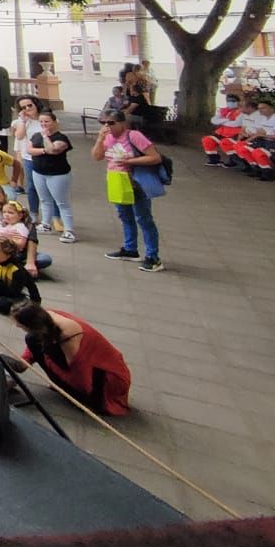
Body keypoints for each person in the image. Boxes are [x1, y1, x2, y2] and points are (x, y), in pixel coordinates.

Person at [11, 303, 132, 416]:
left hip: (106, 379)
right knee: (32, 339)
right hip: (82, 368)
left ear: (33, 325)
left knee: (35, 342)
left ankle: (90, 401)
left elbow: (81, 377)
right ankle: (64, 385)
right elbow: (37, 341)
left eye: (22, 326)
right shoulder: (44, 318)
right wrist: (25, 362)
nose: (18, 327)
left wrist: (52, 370)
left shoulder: (68, 337)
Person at [92, 110, 165, 272]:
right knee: (125, 216)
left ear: (122, 123)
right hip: (116, 180)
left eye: (111, 123)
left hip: (135, 182)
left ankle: (153, 257)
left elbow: (155, 157)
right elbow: (97, 156)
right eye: (103, 122)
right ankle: (130, 248)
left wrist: (130, 160)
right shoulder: (107, 137)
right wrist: (100, 139)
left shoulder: (134, 136)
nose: (106, 126)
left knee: (143, 219)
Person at [30, 111, 76, 242]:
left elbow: (54, 150)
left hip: (57, 174)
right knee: (44, 199)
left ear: (54, 122)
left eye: (47, 121)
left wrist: (46, 138)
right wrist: (44, 151)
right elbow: (30, 149)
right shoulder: (36, 136)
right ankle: (46, 223)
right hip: (39, 171)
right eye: (41, 122)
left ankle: (69, 230)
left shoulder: (61, 138)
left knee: (62, 202)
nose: (43, 124)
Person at [10, 97, 45, 222]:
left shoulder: (45, 117)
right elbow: (19, 136)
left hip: (46, 156)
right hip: (30, 158)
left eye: (30, 105)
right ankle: (34, 213)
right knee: (31, 187)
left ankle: (55, 216)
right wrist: (23, 121)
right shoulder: (23, 121)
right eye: (23, 107)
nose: (28, 109)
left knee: (48, 188)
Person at [203, 92, 247, 167]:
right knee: (207, 140)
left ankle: (233, 161)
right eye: (228, 101)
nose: (230, 103)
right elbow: (213, 120)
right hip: (221, 133)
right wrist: (227, 120)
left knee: (226, 143)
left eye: (233, 101)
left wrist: (222, 121)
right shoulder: (224, 110)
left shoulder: (242, 112)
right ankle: (214, 160)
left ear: (238, 102)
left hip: (234, 135)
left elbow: (237, 123)